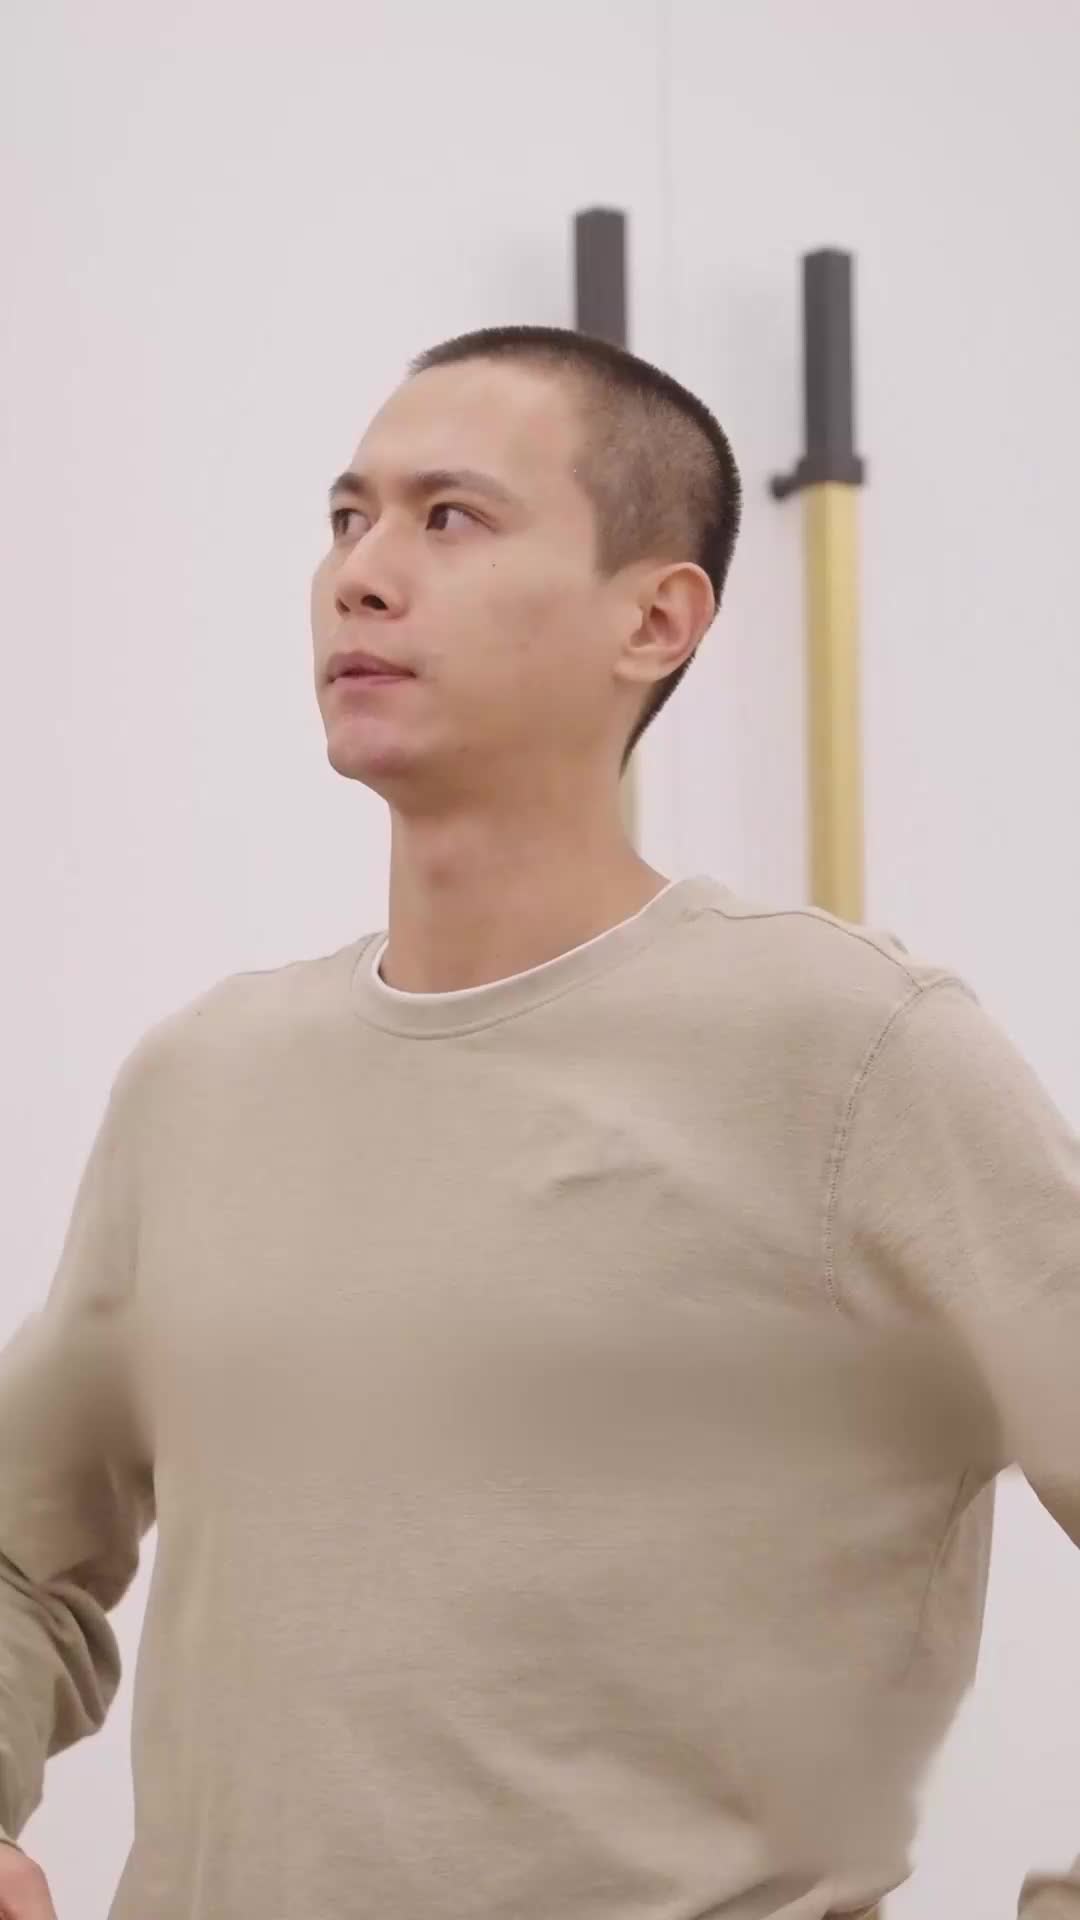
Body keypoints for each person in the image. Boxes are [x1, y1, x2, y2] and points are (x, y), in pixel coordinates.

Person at [0, 325, 1077, 1920]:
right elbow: (23, 1555)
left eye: (450, 517)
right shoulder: (201, 1081)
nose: (361, 575)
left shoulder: (853, 1054)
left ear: (655, 618)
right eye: (348, 517)